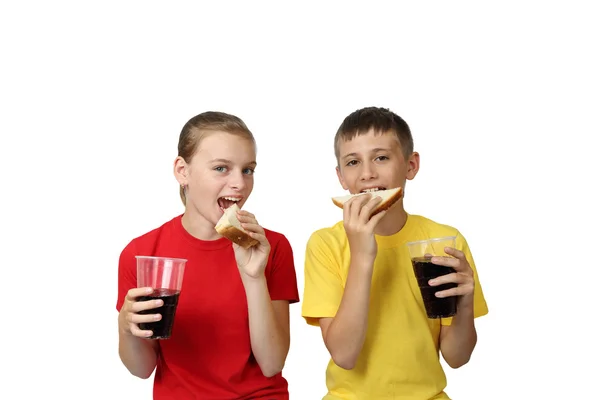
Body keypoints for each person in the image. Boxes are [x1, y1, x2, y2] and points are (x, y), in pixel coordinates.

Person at [301, 106, 488, 399]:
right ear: (341, 177)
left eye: (381, 157)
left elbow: (457, 358)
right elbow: (344, 354)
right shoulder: (325, 244)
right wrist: (362, 255)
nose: (367, 174)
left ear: (411, 165)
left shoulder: (444, 241)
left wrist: (465, 305)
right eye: (353, 162)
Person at [116, 111, 299, 399]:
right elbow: (142, 369)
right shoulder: (142, 253)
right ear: (182, 171)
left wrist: (253, 277)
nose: (239, 183)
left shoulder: (272, 247)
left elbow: (272, 364)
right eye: (222, 168)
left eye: (247, 169)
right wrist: (125, 326)